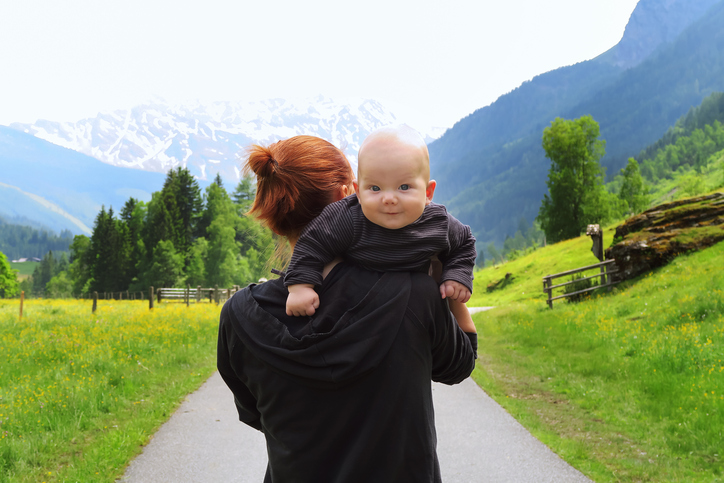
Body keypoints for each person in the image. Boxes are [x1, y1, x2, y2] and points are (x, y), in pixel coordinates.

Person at [217, 135, 477, 482]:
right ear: (346, 194)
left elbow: (256, 414)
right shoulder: (413, 293)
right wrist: (444, 275)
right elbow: (460, 364)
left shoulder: (239, 315)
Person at [285, 125, 476, 333]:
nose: (389, 199)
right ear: (357, 192)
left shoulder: (438, 222)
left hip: (414, 314)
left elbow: (464, 243)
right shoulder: (348, 218)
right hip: (360, 311)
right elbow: (313, 242)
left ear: (428, 192)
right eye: (375, 188)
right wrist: (300, 286)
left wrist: (457, 275)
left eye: (404, 187)